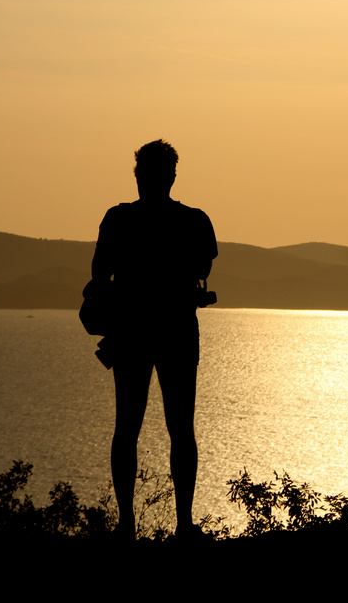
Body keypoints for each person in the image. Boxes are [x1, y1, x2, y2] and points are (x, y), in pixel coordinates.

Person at [91, 139, 217, 540]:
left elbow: (98, 274)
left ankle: (126, 525)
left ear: (138, 176)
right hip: (178, 331)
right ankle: (183, 525)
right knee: (181, 429)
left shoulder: (117, 219)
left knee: (126, 427)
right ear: (172, 176)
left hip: (130, 332)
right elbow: (202, 264)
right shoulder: (195, 221)